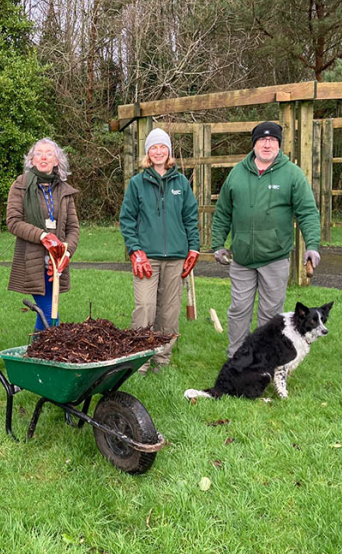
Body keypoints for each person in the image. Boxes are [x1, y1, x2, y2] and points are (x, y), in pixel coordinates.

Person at [211, 121, 321, 357]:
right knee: (238, 309)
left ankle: (263, 359)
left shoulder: (292, 174)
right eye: (262, 139)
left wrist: (312, 245)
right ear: (254, 144)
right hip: (242, 258)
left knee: (270, 314)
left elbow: (308, 212)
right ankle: (237, 357)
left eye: (273, 140)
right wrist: (218, 245)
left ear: (279, 145)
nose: (267, 144)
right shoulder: (237, 173)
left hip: (274, 257)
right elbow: (222, 212)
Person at [119, 128, 200, 373]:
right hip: (147, 258)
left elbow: (190, 218)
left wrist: (193, 248)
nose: (158, 151)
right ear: (147, 153)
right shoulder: (137, 184)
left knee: (169, 311)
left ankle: (161, 360)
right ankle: (140, 360)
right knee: (145, 307)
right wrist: (135, 250)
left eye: (162, 147)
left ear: (169, 151)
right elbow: (127, 220)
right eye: (153, 147)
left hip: (176, 257)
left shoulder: (181, 183)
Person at [6, 138, 80, 336]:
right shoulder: (20, 185)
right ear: (31, 160)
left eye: (49, 153)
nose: (44, 157)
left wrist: (66, 251)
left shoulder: (64, 190)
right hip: (32, 259)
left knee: (47, 311)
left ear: (57, 161)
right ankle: (51, 351)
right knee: (49, 312)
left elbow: (73, 227)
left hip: (56, 261)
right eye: (38, 153)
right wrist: (43, 236)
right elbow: (13, 221)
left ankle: (36, 355)